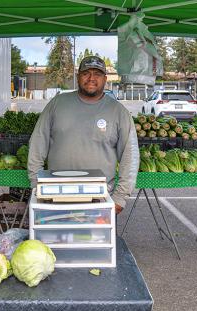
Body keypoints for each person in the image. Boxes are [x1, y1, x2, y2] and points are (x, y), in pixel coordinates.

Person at [27, 56, 139, 214]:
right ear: (78, 76)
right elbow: (37, 145)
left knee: (97, 238)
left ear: (105, 79)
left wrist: (120, 197)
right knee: (57, 237)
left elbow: (130, 156)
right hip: (57, 195)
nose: (91, 78)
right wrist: (36, 184)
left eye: (97, 74)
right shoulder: (57, 104)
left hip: (99, 197)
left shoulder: (118, 112)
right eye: (86, 73)